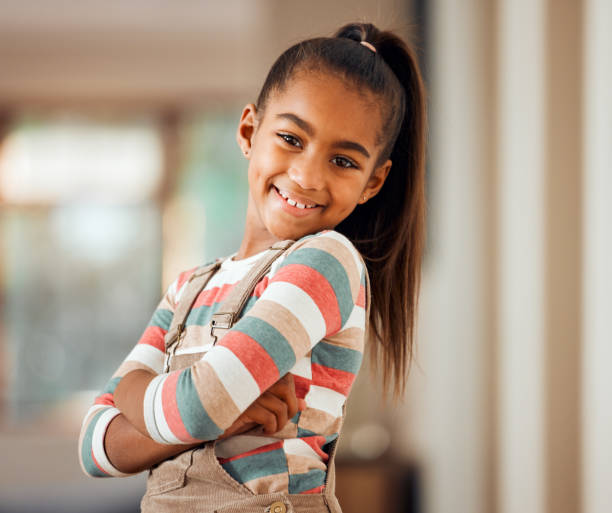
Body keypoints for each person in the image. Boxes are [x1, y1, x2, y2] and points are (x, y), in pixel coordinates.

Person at [78, 21, 426, 513]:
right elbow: (96, 447)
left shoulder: (328, 262)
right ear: (248, 131)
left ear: (373, 183)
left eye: (344, 161)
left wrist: (135, 393)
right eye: (290, 137)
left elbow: (195, 408)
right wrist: (213, 412)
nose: (307, 176)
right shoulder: (188, 287)